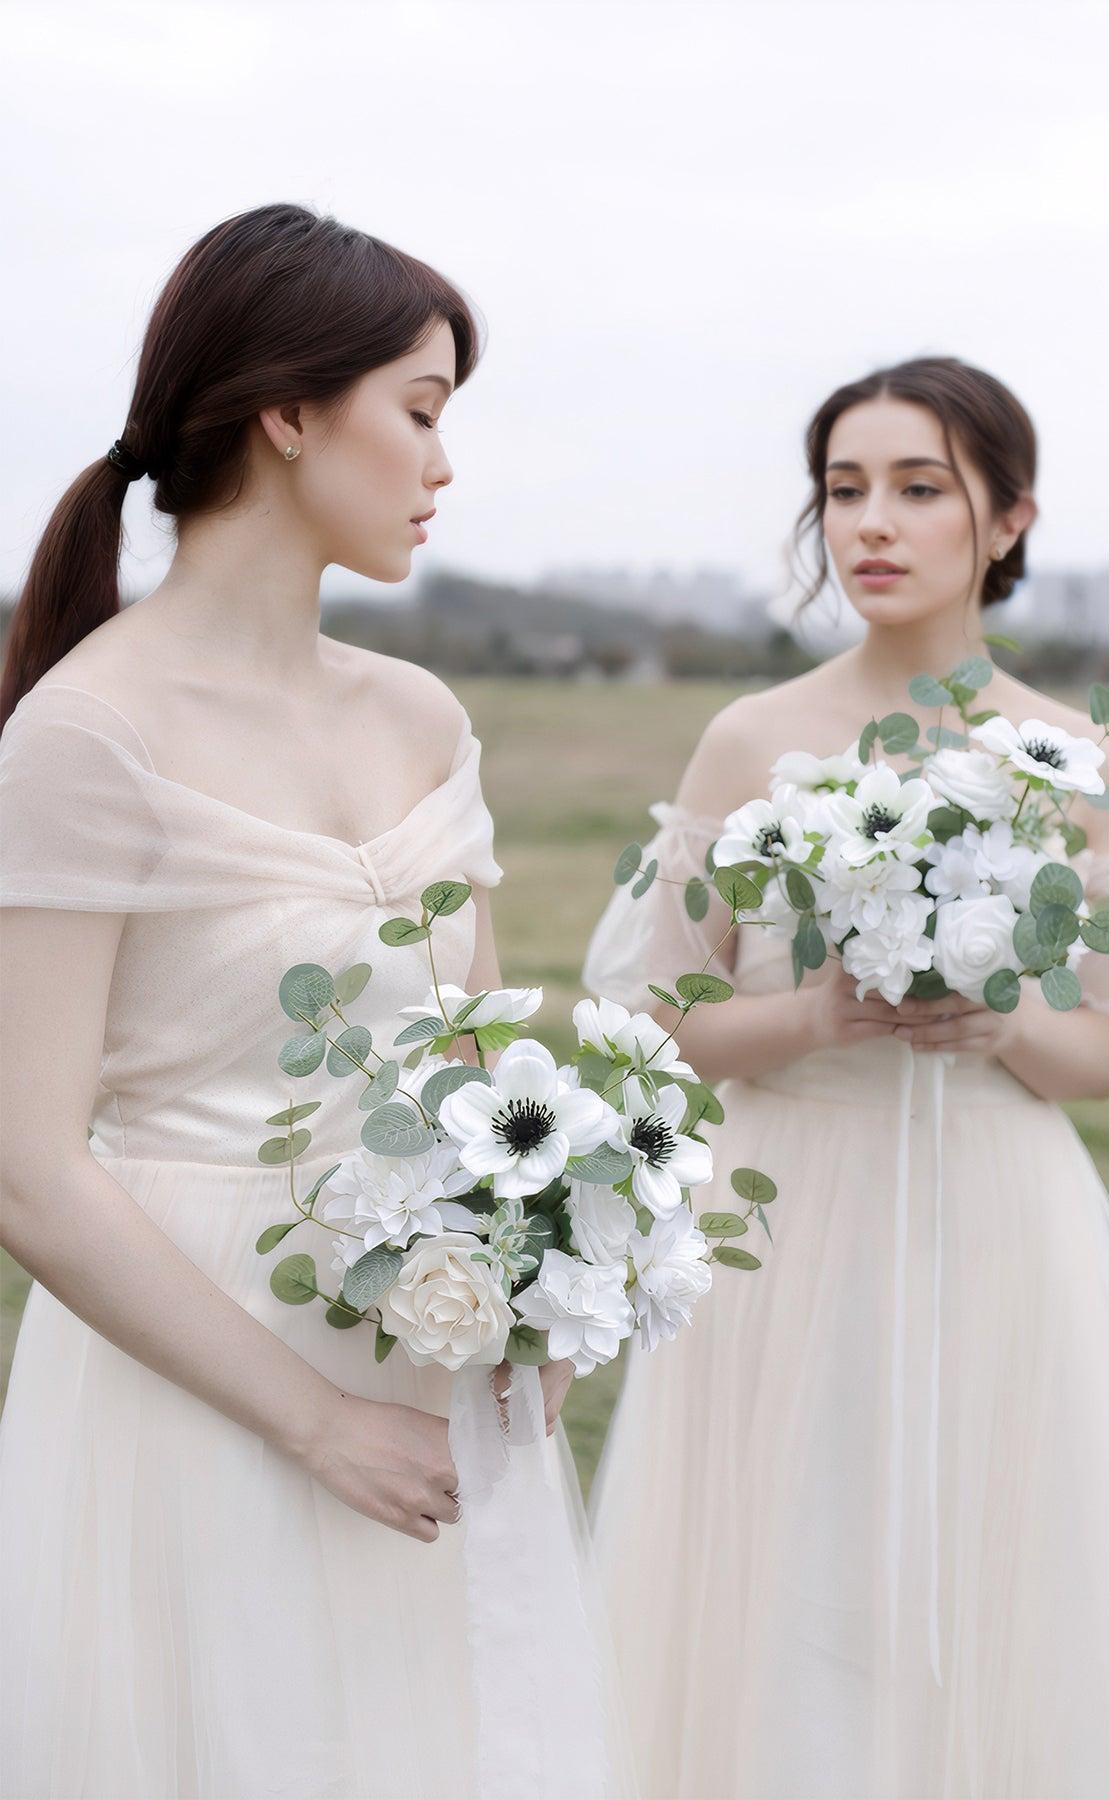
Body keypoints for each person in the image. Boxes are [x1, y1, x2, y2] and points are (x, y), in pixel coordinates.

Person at [0, 203, 621, 1800]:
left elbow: (480, 1077)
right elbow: (27, 1167)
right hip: (197, 1376)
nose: (442, 463)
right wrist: (313, 1424)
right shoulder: (86, 736)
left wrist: (545, 1312)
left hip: (420, 1351)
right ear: (287, 413)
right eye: (419, 410)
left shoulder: (417, 712)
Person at [584, 357, 1109, 1798]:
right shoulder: (754, 740)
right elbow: (661, 1018)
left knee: (1007, 1575)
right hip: (787, 1214)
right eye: (845, 491)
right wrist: (818, 1014)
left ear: (1006, 521)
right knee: (788, 1578)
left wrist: (998, 1028)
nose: (874, 523)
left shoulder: (1079, 763)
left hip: (1001, 1215)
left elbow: (1108, 1050)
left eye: (921, 489)